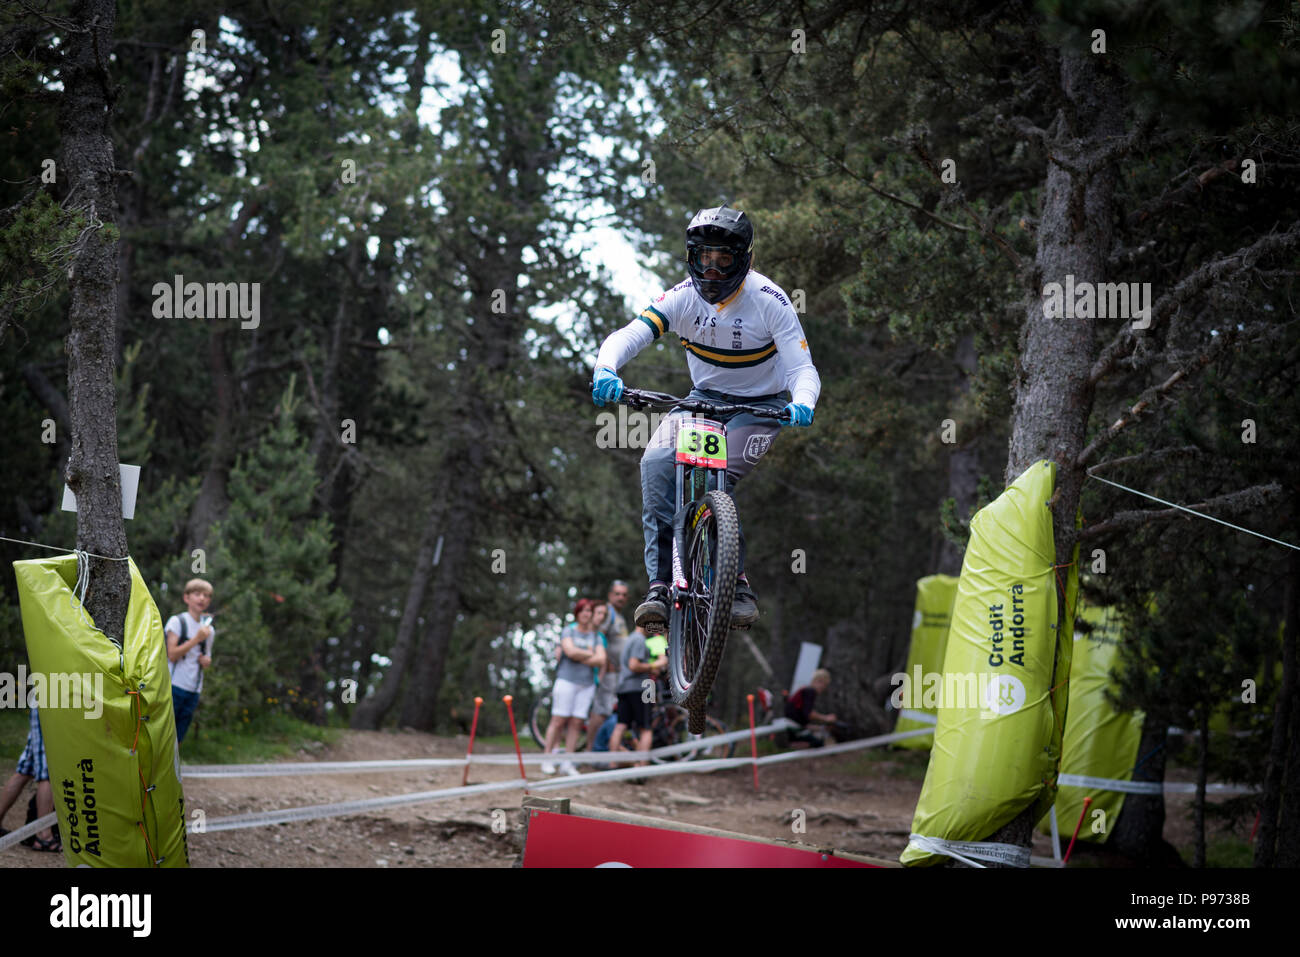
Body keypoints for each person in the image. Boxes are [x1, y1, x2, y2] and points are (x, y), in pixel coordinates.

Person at [591, 204, 821, 633]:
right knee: (657, 465)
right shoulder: (681, 298)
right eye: (704, 260)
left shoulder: (770, 301)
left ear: (745, 260)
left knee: (715, 473)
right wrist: (607, 367)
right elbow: (630, 335)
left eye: (724, 261)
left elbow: (802, 369)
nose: (713, 272)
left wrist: (802, 401)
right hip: (702, 400)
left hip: (760, 406)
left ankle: (734, 584)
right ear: (691, 259)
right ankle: (660, 586)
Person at [541, 599, 606, 776]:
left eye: (589, 611)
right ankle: (547, 758)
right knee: (558, 720)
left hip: (586, 684)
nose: (586, 614)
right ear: (577, 613)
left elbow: (601, 660)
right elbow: (569, 651)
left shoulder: (597, 636)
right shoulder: (568, 630)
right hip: (566, 680)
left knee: (577, 723)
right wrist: (590, 653)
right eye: (583, 610)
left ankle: (567, 762)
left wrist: (580, 655)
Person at [0, 706, 60, 852]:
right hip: (52, 700)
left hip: (49, 697)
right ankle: (44, 835)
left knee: (26, 767)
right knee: (48, 768)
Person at [164, 578, 215, 743]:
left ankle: (173, 768)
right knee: (165, 735)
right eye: (197, 594)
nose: (202, 598)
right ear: (186, 598)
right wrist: (196, 639)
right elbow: (171, 654)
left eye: (206, 596)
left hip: (194, 689)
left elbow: (206, 657)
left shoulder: (209, 630)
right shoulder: (177, 622)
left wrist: (205, 661)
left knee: (179, 737)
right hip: (174, 685)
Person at [609, 627, 666, 772]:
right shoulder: (640, 640)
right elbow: (634, 665)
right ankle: (642, 768)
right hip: (645, 687)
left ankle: (612, 764)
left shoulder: (630, 639)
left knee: (621, 725)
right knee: (646, 728)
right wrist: (654, 665)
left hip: (624, 687)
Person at [588, 581, 632, 747]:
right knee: (602, 710)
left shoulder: (618, 615)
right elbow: (599, 636)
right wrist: (607, 663)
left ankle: (600, 748)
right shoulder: (608, 612)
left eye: (624, 594)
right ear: (610, 595)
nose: (620, 597)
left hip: (618, 672)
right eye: (617, 594)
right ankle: (591, 750)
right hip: (609, 671)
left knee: (607, 709)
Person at [784, 669, 837, 748]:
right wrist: (826, 718)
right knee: (818, 743)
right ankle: (790, 747)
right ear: (818, 681)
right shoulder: (810, 691)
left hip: (793, 725)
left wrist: (820, 728)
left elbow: (803, 719)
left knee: (818, 740)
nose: (824, 688)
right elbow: (808, 714)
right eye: (824, 685)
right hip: (792, 726)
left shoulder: (806, 690)